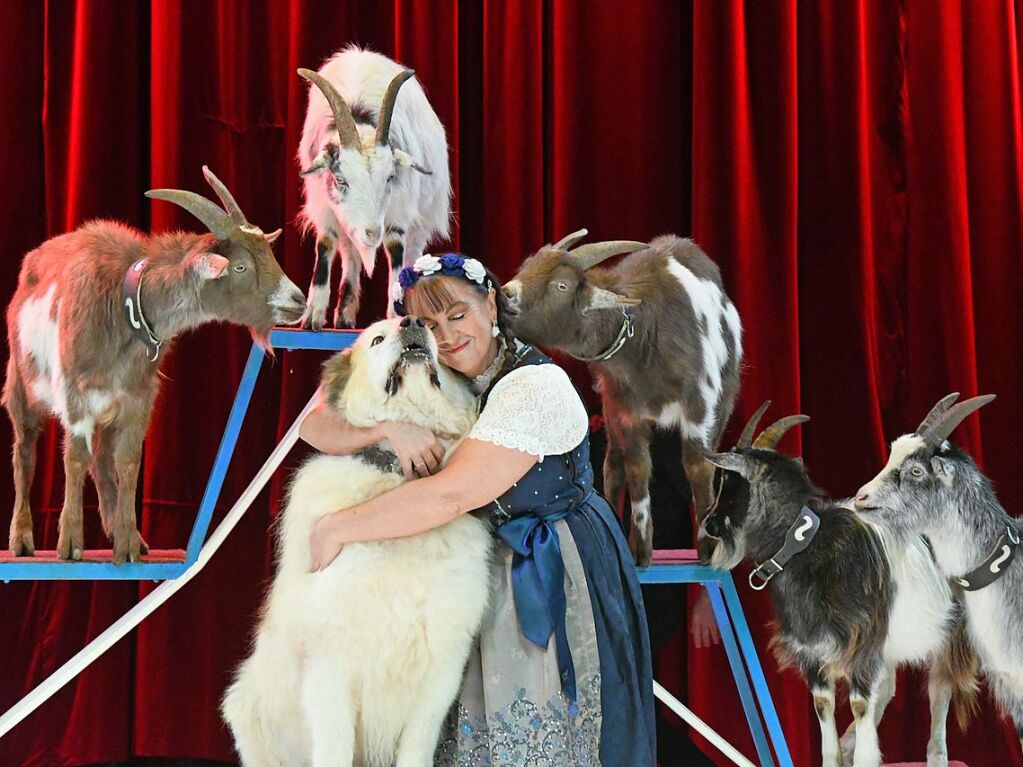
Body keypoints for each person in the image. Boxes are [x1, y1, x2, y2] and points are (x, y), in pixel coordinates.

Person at [301, 252, 657, 766]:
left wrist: (338, 528)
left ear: (490, 303)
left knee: (539, 728)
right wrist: (386, 430)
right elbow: (313, 422)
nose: (446, 336)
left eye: (458, 314)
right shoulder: (443, 370)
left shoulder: (535, 387)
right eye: (429, 324)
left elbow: (449, 493)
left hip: (549, 566)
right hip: (475, 565)